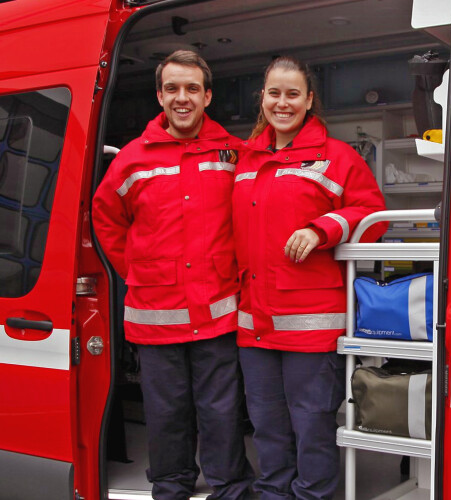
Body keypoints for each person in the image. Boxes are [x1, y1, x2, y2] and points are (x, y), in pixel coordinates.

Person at [93, 50, 255, 500]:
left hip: (217, 310)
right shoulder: (131, 159)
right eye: (171, 88)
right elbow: (106, 219)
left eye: (191, 89)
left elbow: (254, 214)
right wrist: (139, 269)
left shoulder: (235, 154)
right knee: (166, 412)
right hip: (155, 313)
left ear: (207, 95)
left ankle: (230, 487)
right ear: (159, 96)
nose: (181, 98)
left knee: (221, 409)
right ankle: (170, 486)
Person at [232, 56, 387, 500]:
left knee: (311, 421)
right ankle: (273, 493)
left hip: (310, 323)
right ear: (262, 98)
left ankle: (313, 495)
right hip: (254, 323)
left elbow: (373, 216)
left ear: (309, 100)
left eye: (293, 94)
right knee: (265, 423)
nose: (283, 103)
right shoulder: (245, 159)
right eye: (274, 93)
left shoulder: (336, 157)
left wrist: (322, 227)